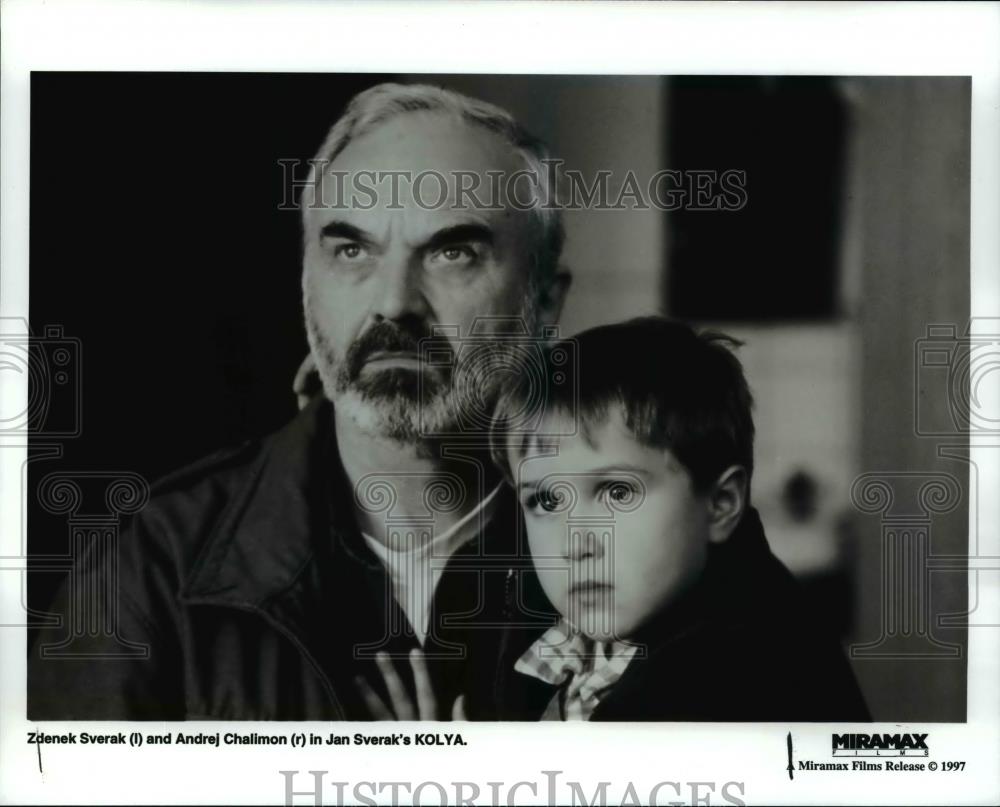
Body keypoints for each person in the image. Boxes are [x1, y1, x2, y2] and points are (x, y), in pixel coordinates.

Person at [28, 82, 571, 720]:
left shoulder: (640, 557)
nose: (394, 302)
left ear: (544, 305)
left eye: (452, 252)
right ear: (307, 287)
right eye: (352, 250)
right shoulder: (152, 565)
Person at [466, 317, 870, 721]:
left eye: (617, 493)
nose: (575, 545)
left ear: (721, 503)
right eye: (547, 501)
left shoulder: (737, 678)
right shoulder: (571, 639)